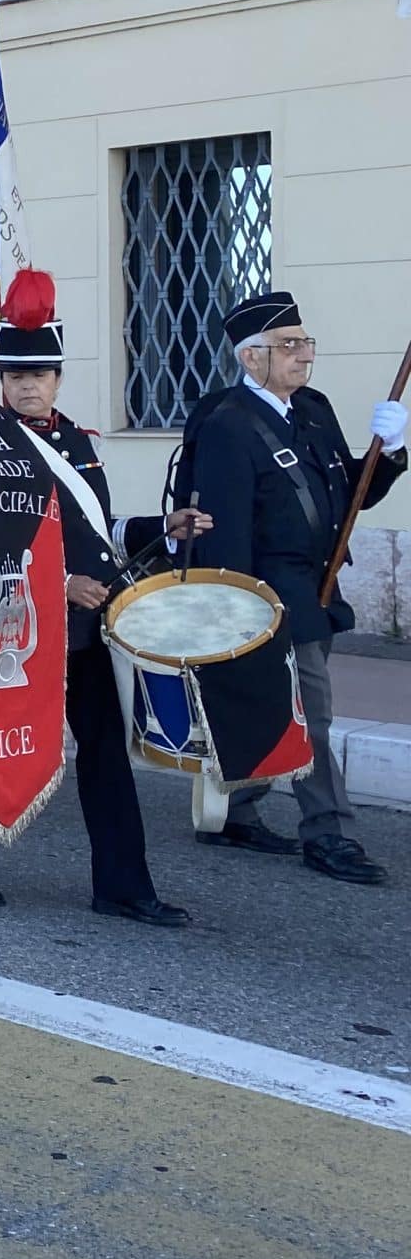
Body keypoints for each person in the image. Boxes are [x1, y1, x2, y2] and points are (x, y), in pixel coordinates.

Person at [0, 280, 196, 923]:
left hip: (82, 628)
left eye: (40, 373)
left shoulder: (76, 441)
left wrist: (161, 527)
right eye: (15, 373)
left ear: (58, 378)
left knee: (104, 751)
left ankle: (122, 886)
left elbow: (94, 533)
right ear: (1, 378)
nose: (28, 385)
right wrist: (58, 584)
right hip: (19, 625)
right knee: (13, 744)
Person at [182, 290, 405, 886]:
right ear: (251, 358)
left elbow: (350, 498)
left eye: (307, 343)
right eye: (290, 345)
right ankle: (328, 831)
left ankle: (234, 809)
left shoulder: (312, 408)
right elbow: (223, 532)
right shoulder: (229, 425)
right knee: (311, 712)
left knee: (278, 705)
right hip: (269, 594)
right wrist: (240, 611)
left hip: (317, 587)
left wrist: (392, 453)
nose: (304, 355)